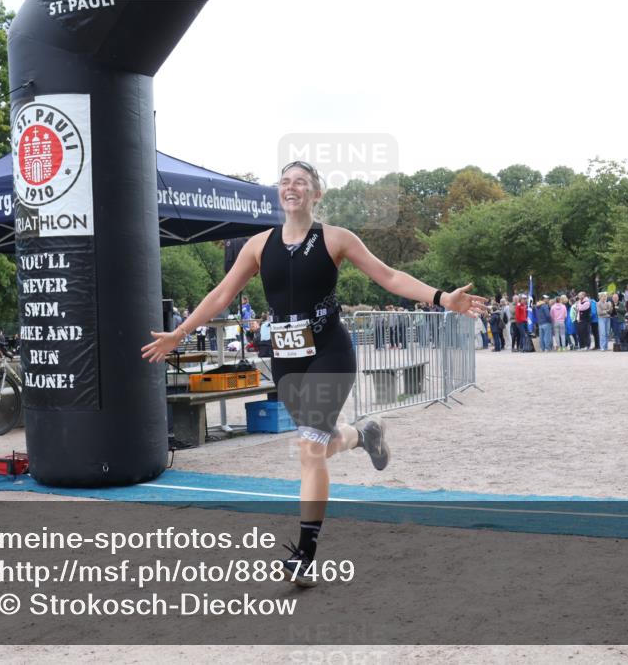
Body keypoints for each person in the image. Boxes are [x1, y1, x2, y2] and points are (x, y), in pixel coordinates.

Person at [142, 160, 489, 586]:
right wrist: (180, 332)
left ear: (316, 193)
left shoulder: (336, 239)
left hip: (330, 352)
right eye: (285, 182)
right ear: (279, 192)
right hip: (288, 360)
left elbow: (389, 275)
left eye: (301, 183)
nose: (292, 188)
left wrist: (440, 298)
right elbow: (221, 293)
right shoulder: (258, 245)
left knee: (309, 448)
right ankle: (364, 435)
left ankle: (304, 555)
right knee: (320, 445)